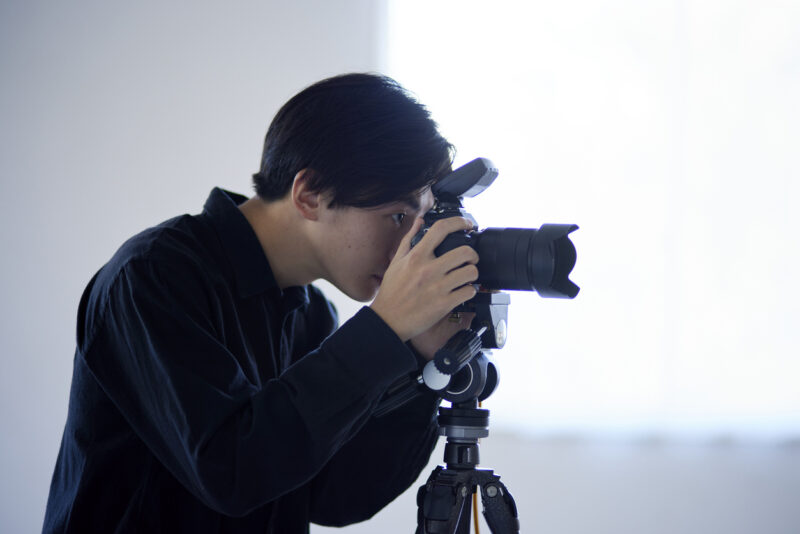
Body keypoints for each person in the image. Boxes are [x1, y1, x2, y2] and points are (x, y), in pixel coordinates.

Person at [43, 73, 480, 533]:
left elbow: (334, 496)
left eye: (419, 219)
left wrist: (425, 362)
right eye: (396, 215)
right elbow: (230, 471)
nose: (409, 245)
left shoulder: (311, 313)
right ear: (309, 194)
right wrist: (384, 329)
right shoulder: (153, 275)